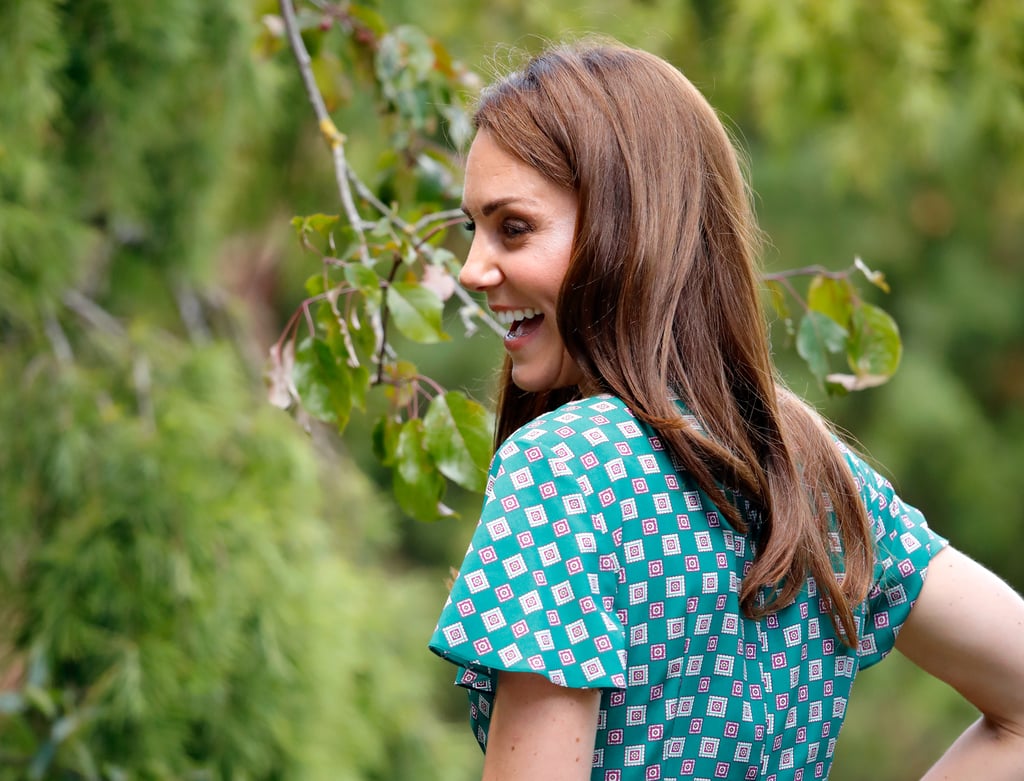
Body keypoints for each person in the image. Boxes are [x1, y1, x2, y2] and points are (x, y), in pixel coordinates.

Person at [428, 39, 1024, 780]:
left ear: (628, 228)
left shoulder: (562, 467)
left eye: (512, 227)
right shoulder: (807, 467)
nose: (471, 269)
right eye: (471, 229)